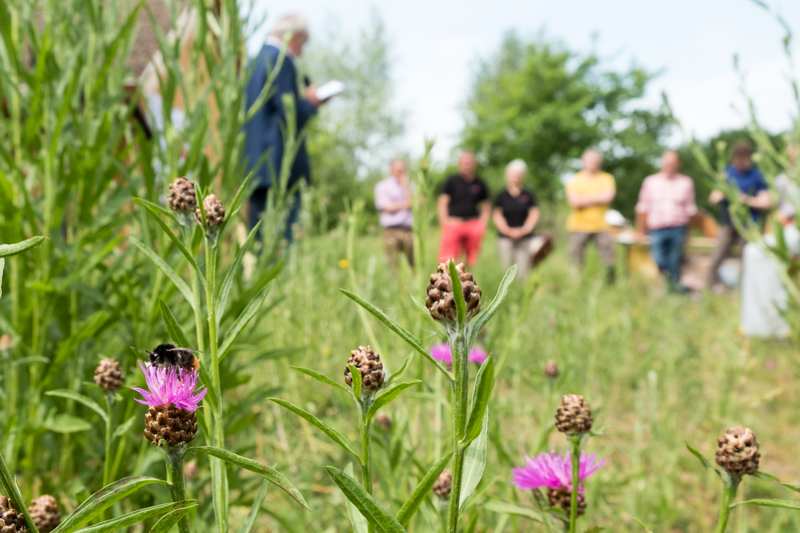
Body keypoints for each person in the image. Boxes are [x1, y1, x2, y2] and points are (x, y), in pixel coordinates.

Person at [243, 14, 325, 244]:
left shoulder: (254, 60)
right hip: (278, 165)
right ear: (296, 37)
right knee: (283, 239)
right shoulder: (282, 61)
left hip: (255, 164)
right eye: (304, 43)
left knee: (258, 235)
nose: (303, 51)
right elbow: (289, 114)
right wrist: (310, 102)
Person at [740, 144, 800, 337]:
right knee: (753, 251)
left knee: (767, 254)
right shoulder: (782, 179)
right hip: (787, 230)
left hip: (794, 229)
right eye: (791, 155)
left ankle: (778, 323)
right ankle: (760, 324)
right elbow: (778, 210)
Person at [706, 140, 772, 290]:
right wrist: (721, 195)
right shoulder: (727, 172)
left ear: (749, 158)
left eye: (743, 158)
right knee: (717, 255)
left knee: (747, 258)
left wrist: (744, 199)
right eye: (737, 158)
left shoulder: (757, 176)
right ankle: (711, 286)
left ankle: (744, 290)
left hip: (749, 225)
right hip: (728, 223)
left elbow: (766, 203)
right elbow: (713, 198)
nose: (740, 162)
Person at [634, 151, 697, 292]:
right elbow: (642, 208)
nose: (670, 165)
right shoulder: (650, 182)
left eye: (673, 162)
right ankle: (679, 289)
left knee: (674, 260)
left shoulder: (686, 182)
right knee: (659, 260)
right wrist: (640, 231)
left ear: (678, 164)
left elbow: (690, 210)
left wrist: (688, 233)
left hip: (678, 227)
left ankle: (673, 292)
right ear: (662, 163)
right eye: (667, 162)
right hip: (656, 228)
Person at [566, 148, 616, 282]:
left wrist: (584, 199)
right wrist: (598, 198)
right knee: (576, 258)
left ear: (599, 162)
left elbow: (608, 197)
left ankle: (609, 283)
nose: (592, 164)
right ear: (583, 162)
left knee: (608, 258)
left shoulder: (607, 178)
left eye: (595, 161)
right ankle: (576, 284)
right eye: (589, 161)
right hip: (579, 225)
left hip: (602, 224)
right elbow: (574, 201)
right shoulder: (575, 179)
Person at [437, 152, 491, 265]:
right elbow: (443, 202)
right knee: (447, 260)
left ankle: (470, 282)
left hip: (473, 224)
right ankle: (447, 282)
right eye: (464, 162)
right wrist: (444, 223)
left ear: (474, 164)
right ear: (459, 164)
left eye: (469, 162)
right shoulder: (452, 181)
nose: (467, 165)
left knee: (473, 260)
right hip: (454, 223)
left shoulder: (480, 183)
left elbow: (486, 206)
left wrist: (482, 224)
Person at [493, 159, 540, 279]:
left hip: (524, 238)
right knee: (505, 270)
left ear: (523, 176)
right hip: (505, 238)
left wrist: (524, 230)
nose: (515, 177)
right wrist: (508, 231)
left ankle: (520, 294)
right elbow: (497, 215)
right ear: (507, 176)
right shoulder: (501, 195)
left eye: (518, 175)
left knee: (523, 271)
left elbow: (534, 213)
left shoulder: (528, 194)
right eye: (512, 174)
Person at [374, 158, 415, 268]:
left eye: (402, 169)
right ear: (391, 169)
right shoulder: (382, 186)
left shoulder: (411, 186)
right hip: (391, 230)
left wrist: (406, 188)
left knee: (412, 264)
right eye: (397, 169)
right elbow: (387, 207)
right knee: (393, 264)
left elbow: (418, 204)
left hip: (408, 230)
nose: (399, 172)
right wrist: (408, 203)